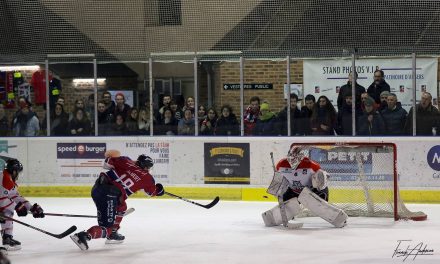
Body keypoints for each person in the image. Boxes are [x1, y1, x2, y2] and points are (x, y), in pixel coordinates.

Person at [70, 150, 164, 251]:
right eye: (148, 167)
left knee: (122, 206)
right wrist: (160, 189)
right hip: (109, 196)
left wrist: (119, 158)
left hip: (97, 188)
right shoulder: (147, 178)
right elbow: (151, 193)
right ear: (146, 167)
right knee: (107, 228)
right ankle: (84, 235)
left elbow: (107, 163)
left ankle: (113, 232)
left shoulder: (125, 160)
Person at [262, 145, 347, 228]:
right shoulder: (281, 165)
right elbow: (279, 182)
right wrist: (277, 188)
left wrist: (320, 179)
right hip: (294, 192)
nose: (292, 161)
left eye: (295, 158)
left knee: (317, 200)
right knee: (285, 196)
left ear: (301, 157)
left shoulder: (311, 165)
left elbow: (323, 182)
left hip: (313, 191)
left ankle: (338, 218)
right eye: (290, 158)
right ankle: (282, 217)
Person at [0, 159, 44, 251]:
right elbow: (3, 199)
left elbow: (15, 196)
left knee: (7, 211)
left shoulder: (7, 179)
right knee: (8, 208)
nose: (18, 175)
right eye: (18, 172)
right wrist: (18, 207)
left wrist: (31, 208)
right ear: (14, 171)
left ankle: (7, 237)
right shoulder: (4, 179)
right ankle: (7, 237)